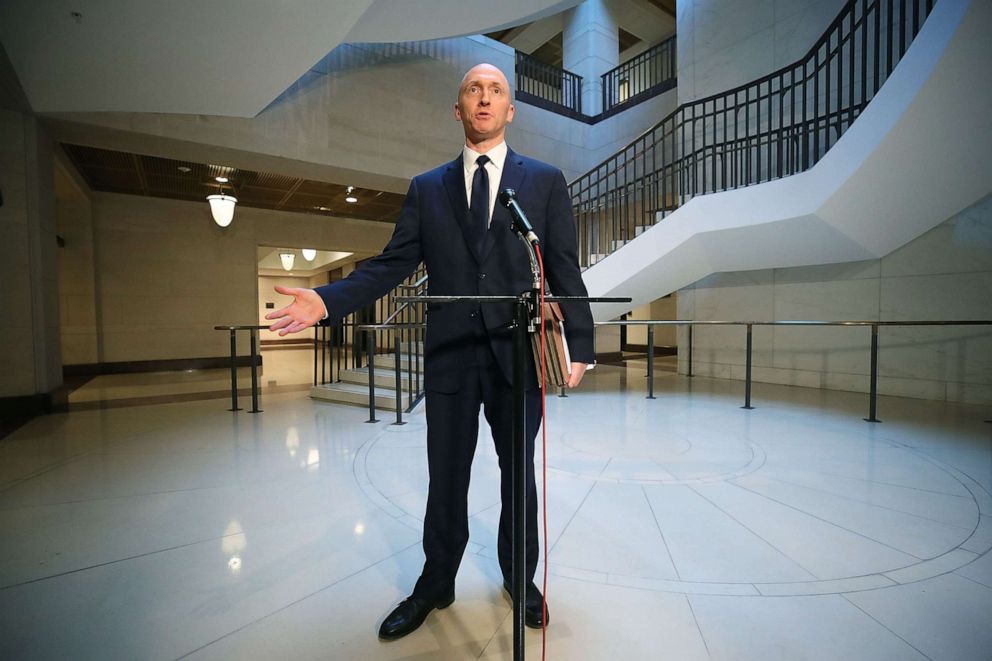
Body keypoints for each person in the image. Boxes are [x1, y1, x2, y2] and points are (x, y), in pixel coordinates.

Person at [266, 63, 594, 640]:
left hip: (515, 356)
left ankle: (521, 577)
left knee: (519, 475)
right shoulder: (427, 186)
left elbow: (563, 266)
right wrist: (326, 300)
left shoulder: (544, 180)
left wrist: (583, 345)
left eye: (496, 91)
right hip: (449, 357)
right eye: (473, 90)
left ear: (509, 110)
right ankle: (435, 582)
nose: (484, 98)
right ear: (458, 108)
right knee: (446, 478)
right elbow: (393, 263)